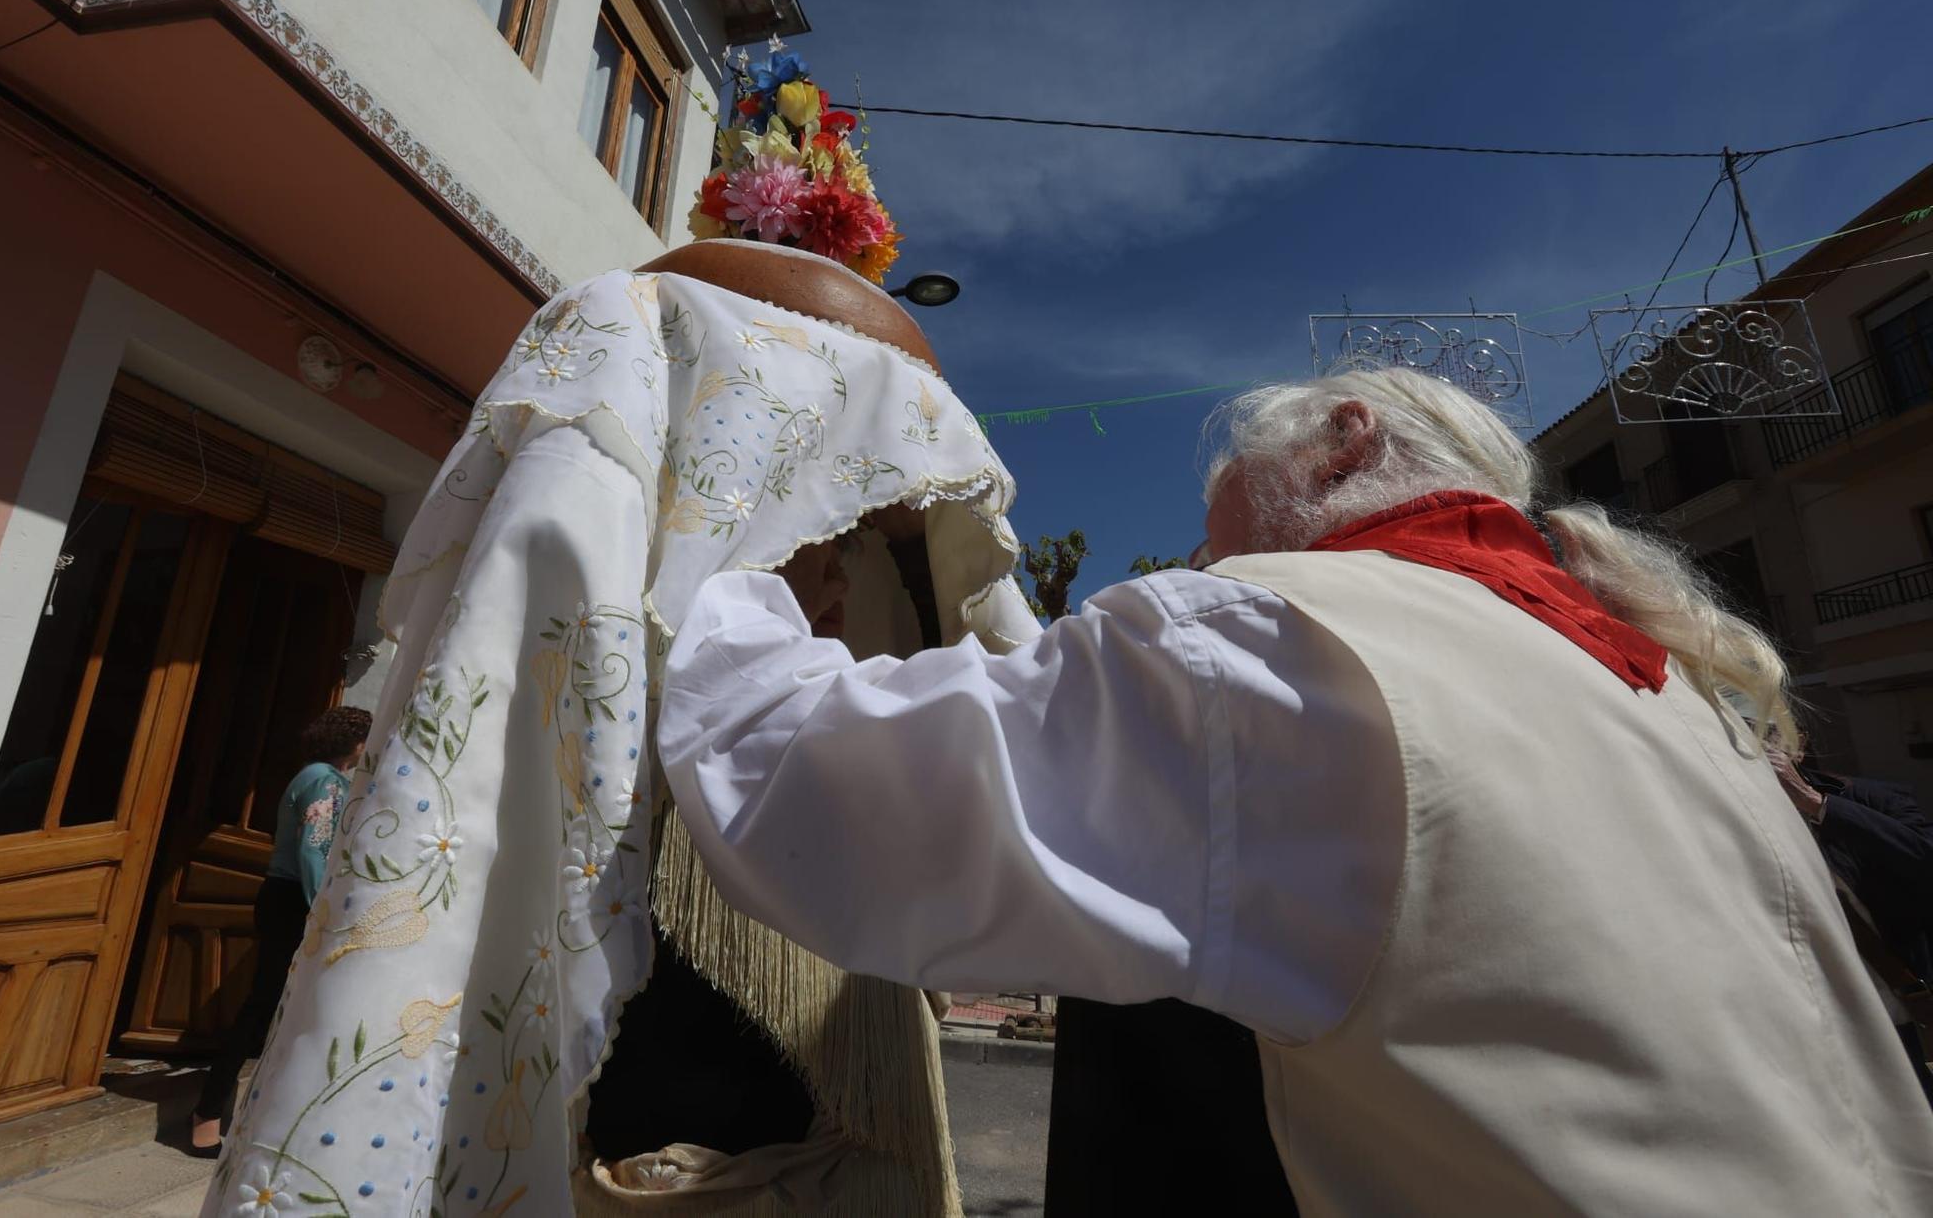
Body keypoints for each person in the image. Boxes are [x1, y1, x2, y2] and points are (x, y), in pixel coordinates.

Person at [658, 367, 1933, 1214]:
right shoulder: (1673, 693)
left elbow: (803, 782)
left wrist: (739, 562)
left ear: (1341, 444)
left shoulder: (1284, 640)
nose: (1201, 548)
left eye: (1215, 516)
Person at [204, 267, 1041, 1218]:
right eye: (801, 530)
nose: (835, 584)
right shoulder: (572, 788)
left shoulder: (863, 757)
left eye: (849, 542)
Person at [192, 705, 369, 1151]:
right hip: (294, 899)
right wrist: (319, 913)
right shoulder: (324, 780)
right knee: (264, 1004)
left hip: (287, 897)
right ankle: (208, 1112)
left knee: (276, 1004)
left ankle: (255, 1110)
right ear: (353, 742)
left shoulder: (320, 777)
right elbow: (314, 850)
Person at [1770, 746, 1933, 1104]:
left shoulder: (1871, 797)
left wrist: (1816, 803)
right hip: (1823, 1009)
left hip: (1904, 985)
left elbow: (1923, 858)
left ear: (1795, 747)